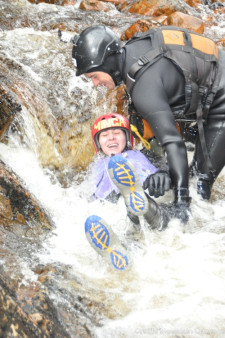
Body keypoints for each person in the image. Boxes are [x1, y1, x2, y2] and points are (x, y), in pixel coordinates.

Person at [72, 25, 225, 223]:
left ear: (108, 63)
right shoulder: (131, 55)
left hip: (220, 101)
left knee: (199, 185)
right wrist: (163, 172)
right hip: (211, 84)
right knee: (191, 175)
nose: (94, 84)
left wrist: (182, 204)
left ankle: (186, 225)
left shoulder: (143, 86)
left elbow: (172, 142)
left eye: (94, 76)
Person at [85, 113, 170, 271]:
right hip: (115, 209)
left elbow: (167, 169)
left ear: (128, 138)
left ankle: (137, 203)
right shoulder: (95, 168)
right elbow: (90, 197)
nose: (111, 138)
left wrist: (163, 174)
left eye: (117, 133)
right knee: (124, 232)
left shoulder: (146, 154)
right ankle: (119, 251)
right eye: (104, 135)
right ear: (97, 142)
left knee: (151, 211)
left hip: (147, 199)